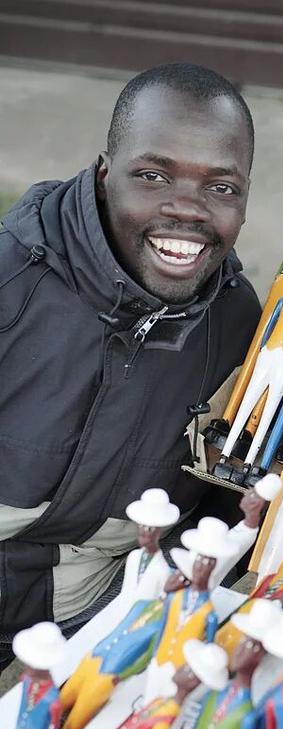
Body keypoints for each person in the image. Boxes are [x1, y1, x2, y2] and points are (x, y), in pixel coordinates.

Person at [0, 63, 260, 656]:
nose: (188, 210)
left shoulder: (237, 325)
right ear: (104, 174)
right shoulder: (10, 284)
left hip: (85, 623)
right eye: (152, 175)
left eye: (221, 188)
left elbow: (219, 506)